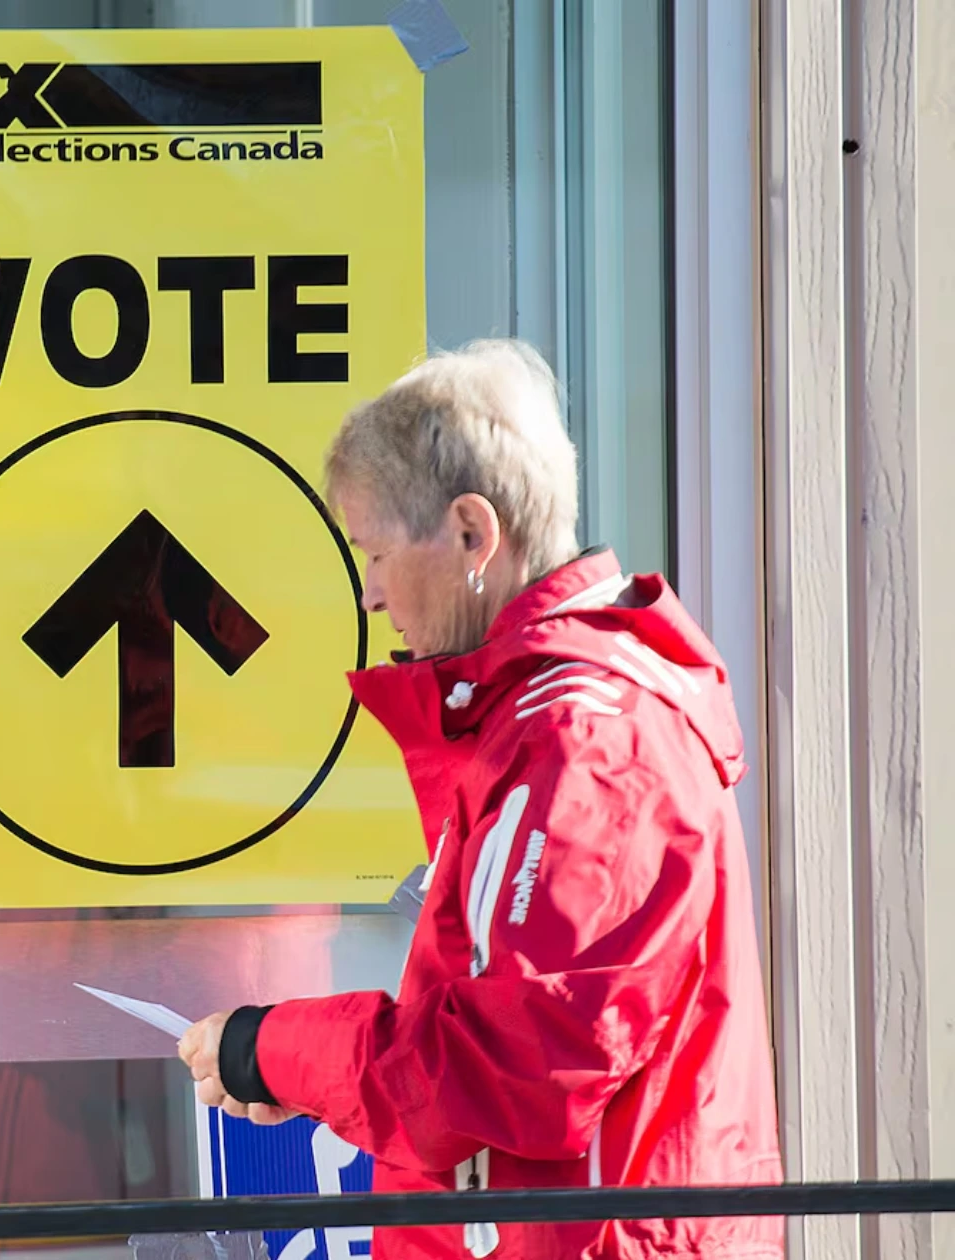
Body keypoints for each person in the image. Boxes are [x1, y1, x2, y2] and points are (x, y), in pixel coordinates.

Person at [178, 341, 782, 1259]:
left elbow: (508, 1066)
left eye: (376, 553)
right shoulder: (549, 727)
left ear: (471, 532)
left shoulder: (588, 744)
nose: (372, 596)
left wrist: (274, 1050)